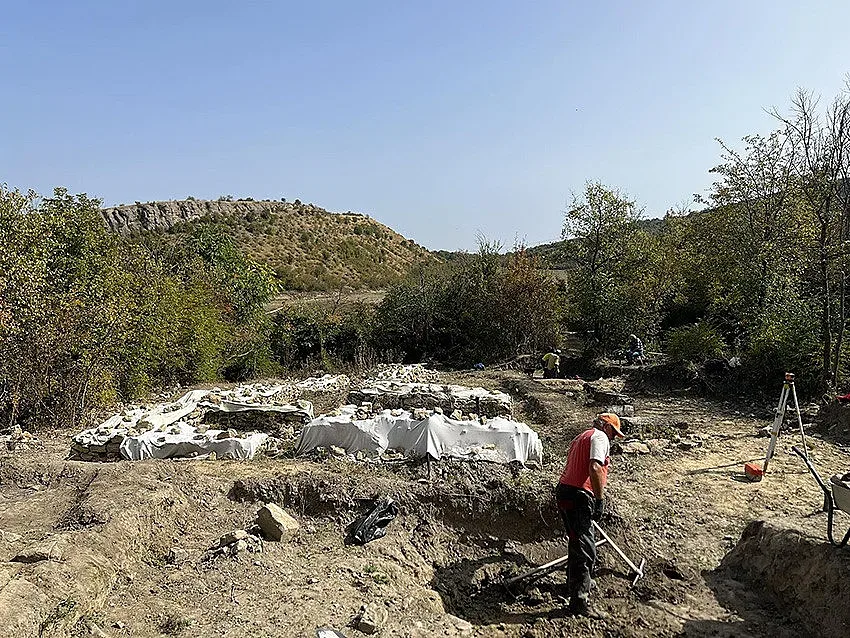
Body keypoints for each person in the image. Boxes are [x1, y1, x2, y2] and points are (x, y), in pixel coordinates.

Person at [555, 412, 624, 617]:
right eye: (614, 432)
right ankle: (579, 602)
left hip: (565, 492)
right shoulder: (600, 437)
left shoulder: (581, 436)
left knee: (577, 543)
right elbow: (595, 467)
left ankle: (573, 586)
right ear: (607, 427)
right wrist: (599, 500)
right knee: (586, 549)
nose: (613, 437)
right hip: (578, 495)